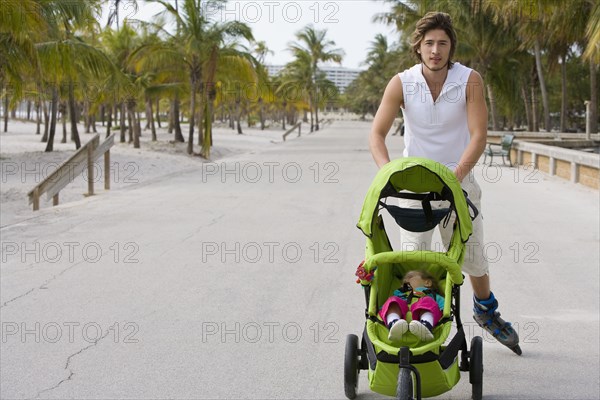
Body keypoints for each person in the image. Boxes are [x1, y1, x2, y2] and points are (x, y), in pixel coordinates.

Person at [368, 12, 520, 352]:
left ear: (451, 48)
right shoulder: (401, 83)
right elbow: (376, 135)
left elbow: (479, 136)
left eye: (442, 43)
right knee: (414, 261)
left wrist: (454, 178)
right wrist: (388, 172)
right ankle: (416, 323)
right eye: (429, 43)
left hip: (459, 184)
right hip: (413, 190)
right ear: (418, 48)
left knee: (474, 258)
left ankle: (485, 310)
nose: (435, 50)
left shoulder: (470, 80)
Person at [380, 270, 444, 342]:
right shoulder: (399, 295)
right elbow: (384, 308)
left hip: (421, 318)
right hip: (401, 318)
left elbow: (443, 308)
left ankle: (426, 325)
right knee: (392, 301)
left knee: (427, 302)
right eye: (402, 282)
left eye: (410, 277)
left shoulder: (432, 296)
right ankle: (393, 323)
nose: (405, 281)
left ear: (427, 282)